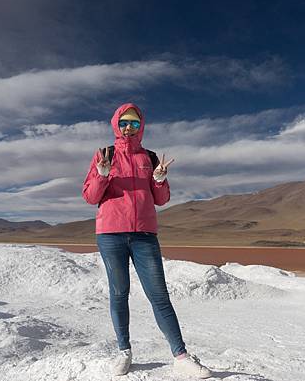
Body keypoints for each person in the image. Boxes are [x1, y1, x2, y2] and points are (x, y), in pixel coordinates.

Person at [82, 102, 213, 378]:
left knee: (159, 295)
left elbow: (161, 200)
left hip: (144, 235)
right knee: (119, 293)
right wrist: (103, 175)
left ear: (142, 126)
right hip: (111, 234)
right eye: (124, 123)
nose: (129, 128)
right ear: (116, 125)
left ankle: (181, 355)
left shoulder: (150, 157)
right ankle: (124, 352)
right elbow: (91, 197)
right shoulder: (104, 155)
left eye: (134, 123)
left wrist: (159, 179)